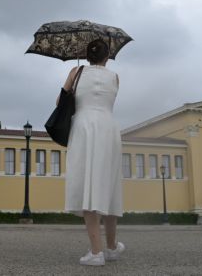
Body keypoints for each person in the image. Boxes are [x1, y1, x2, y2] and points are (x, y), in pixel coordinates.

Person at [63, 39, 125, 267]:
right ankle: (111, 247)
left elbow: (60, 101)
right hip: (108, 128)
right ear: (107, 56)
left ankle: (96, 252)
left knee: (88, 184)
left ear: (87, 55)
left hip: (84, 127)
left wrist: (76, 78)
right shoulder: (115, 77)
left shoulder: (76, 72)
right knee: (108, 185)